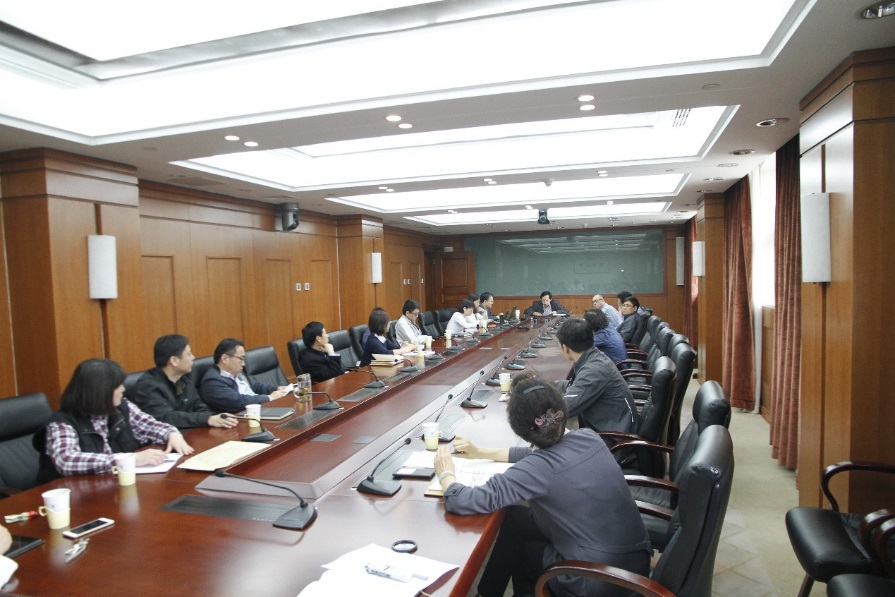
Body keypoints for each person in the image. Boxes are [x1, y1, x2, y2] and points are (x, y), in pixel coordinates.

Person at [434, 373, 651, 597]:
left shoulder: (536, 469)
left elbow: (462, 500)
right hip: (634, 563)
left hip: (596, 580)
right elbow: (534, 456)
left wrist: (446, 473)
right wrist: (481, 452)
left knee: (526, 553)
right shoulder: (588, 437)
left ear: (517, 427)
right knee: (516, 519)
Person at [36, 359, 194, 482]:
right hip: (79, 495)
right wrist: (129, 460)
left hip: (114, 485)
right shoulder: (62, 422)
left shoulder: (120, 406)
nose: (123, 389)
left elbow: (148, 425)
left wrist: (171, 434)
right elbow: (66, 460)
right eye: (118, 386)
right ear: (100, 391)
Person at [555, 317, 639, 464]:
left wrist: (530, 403)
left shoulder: (594, 370)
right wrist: (543, 385)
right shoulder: (593, 358)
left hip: (614, 445)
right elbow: (574, 386)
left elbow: (564, 409)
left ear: (565, 348)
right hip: (611, 430)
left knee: (552, 456)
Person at [132, 334, 238, 431]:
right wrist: (207, 419)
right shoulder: (147, 386)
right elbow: (166, 418)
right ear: (174, 361)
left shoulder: (183, 378)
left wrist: (214, 418)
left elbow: (200, 407)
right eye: (189, 354)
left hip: (191, 433)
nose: (193, 357)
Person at [200, 338, 291, 413]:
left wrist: (276, 389)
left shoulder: (236, 372)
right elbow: (237, 402)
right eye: (241, 359)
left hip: (258, 410)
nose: (244, 364)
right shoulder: (212, 382)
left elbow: (254, 387)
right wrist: (269, 398)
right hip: (243, 417)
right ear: (225, 359)